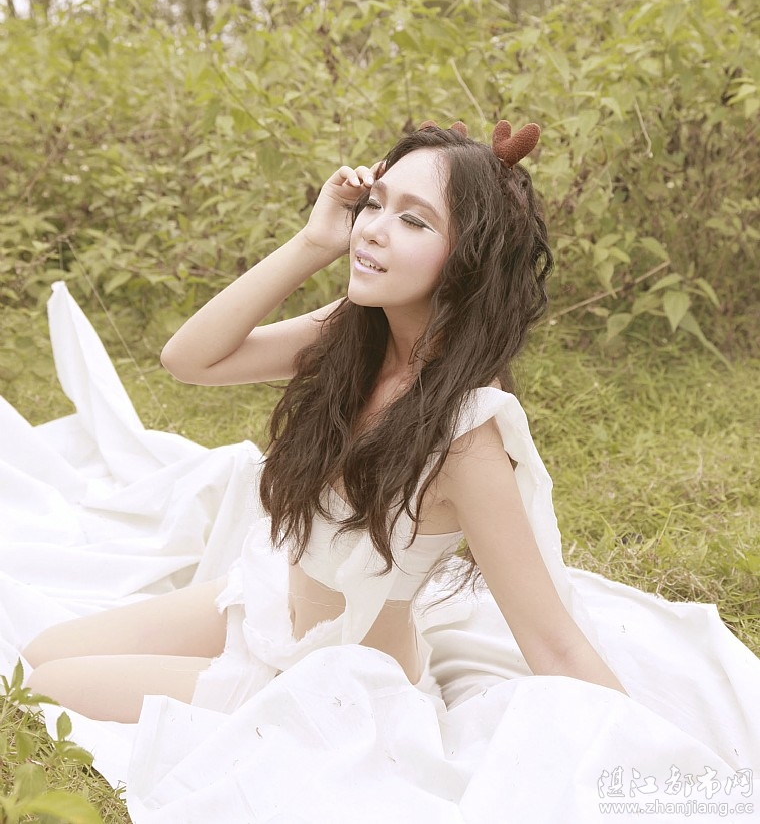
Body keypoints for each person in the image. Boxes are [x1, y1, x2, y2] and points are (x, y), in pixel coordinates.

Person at [22, 119, 627, 722]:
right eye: (375, 204)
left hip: (334, 687)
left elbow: (553, 642)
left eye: (414, 220)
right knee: (40, 652)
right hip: (269, 610)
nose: (374, 230)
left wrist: (639, 748)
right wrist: (314, 243)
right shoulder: (355, 337)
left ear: (471, 259)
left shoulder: (466, 437)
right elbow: (189, 359)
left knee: (42, 687)